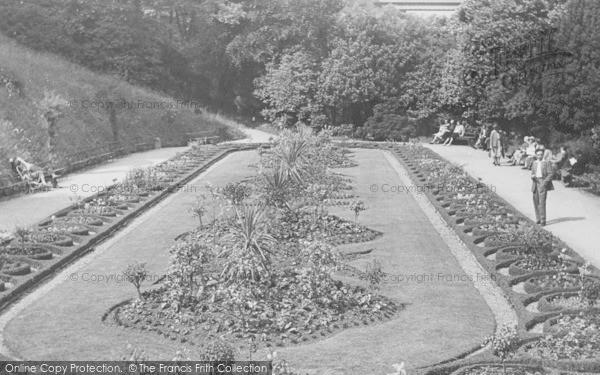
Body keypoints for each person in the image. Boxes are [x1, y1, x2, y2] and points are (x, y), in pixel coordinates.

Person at [531, 147, 554, 226]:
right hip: (535, 182)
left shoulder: (547, 162)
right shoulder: (534, 162)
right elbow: (532, 173)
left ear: (543, 154)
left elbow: (550, 174)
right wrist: (532, 176)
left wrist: (544, 183)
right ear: (536, 155)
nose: (539, 156)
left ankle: (543, 220)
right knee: (535, 201)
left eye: (541, 155)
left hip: (542, 182)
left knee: (542, 202)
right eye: (538, 155)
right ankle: (538, 219)